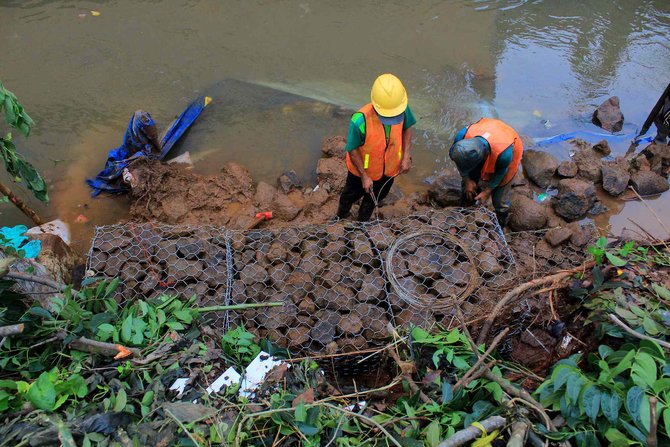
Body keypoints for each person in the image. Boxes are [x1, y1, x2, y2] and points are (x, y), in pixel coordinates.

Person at [335, 74, 416, 221]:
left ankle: (362, 222)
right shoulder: (360, 120)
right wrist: (364, 176)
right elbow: (352, 150)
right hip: (362, 171)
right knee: (349, 195)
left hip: (390, 168)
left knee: (373, 199)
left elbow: (408, 127)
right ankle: (340, 216)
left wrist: (406, 156)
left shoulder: (401, 107)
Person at [449, 118, 523, 226]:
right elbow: (458, 160)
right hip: (488, 129)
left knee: (499, 199)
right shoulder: (461, 137)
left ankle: (501, 221)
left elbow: (502, 172)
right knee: (470, 181)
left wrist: (487, 191)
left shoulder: (504, 155)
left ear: (484, 157)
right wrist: (467, 179)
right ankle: (468, 207)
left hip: (508, 143)